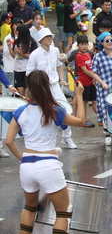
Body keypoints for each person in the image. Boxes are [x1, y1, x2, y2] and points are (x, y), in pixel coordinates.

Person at [5, 70, 85, 234]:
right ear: (47, 86)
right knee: (63, 212)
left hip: (27, 165)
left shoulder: (21, 111)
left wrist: (23, 158)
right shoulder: (55, 110)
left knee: (29, 208)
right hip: (48, 164)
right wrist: (79, 95)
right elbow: (81, 121)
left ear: (28, 88)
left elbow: (8, 141)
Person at [26, 28, 77, 149]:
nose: (50, 38)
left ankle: (67, 137)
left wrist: (62, 78)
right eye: (47, 36)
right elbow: (29, 73)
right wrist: (32, 90)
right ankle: (47, 141)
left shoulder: (55, 51)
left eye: (50, 36)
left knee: (65, 110)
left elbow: (59, 66)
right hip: (42, 88)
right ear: (41, 40)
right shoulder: (34, 55)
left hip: (55, 86)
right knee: (44, 114)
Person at [75, 35, 108, 127]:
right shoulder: (79, 56)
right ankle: (84, 119)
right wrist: (94, 76)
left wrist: (94, 78)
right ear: (78, 46)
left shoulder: (88, 55)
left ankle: (100, 118)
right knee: (84, 101)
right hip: (84, 82)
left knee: (95, 100)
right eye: (82, 44)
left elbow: (92, 68)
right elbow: (85, 70)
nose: (84, 46)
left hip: (92, 81)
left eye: (86, 44)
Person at [8, 24, 37, 96]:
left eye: (17, 31)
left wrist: (21, 52)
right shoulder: (16, 42)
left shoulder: (32, 42)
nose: (16, 32)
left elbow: (33, 56)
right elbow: (13, 55)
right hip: (18, 69)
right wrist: (9, 46)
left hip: (28, 69)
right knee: (20, 93)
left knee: (29, 92)